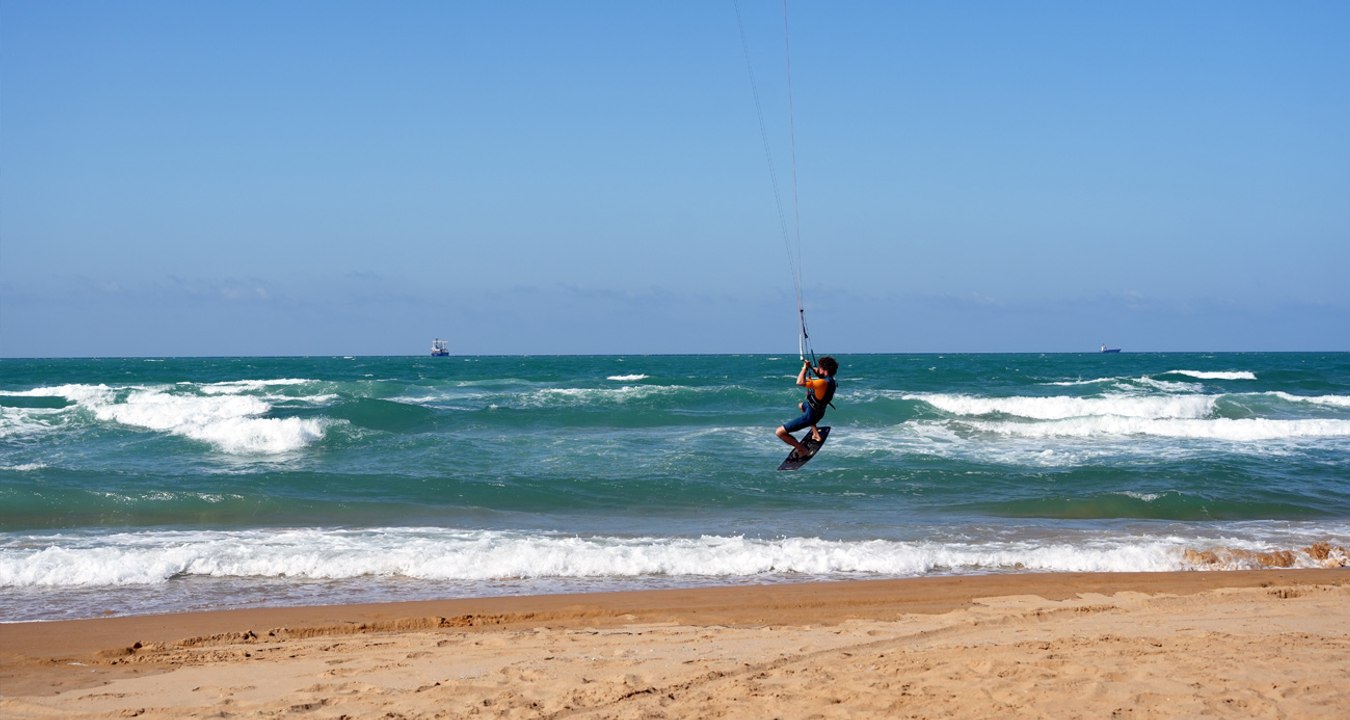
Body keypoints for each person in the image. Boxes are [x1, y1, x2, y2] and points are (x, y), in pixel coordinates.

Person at [775, 355, 838, 459]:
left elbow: (799, 382)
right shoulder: (831, 381)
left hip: (811, 415)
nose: (818, 369)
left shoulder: (821, 383)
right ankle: (815, 434)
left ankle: (801, 449)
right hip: (819, 411)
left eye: (820, 367)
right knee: (801, 405)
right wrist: (811, 367)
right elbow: (819, 373)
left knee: (779, 432)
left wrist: (804, 368)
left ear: (825, 370)